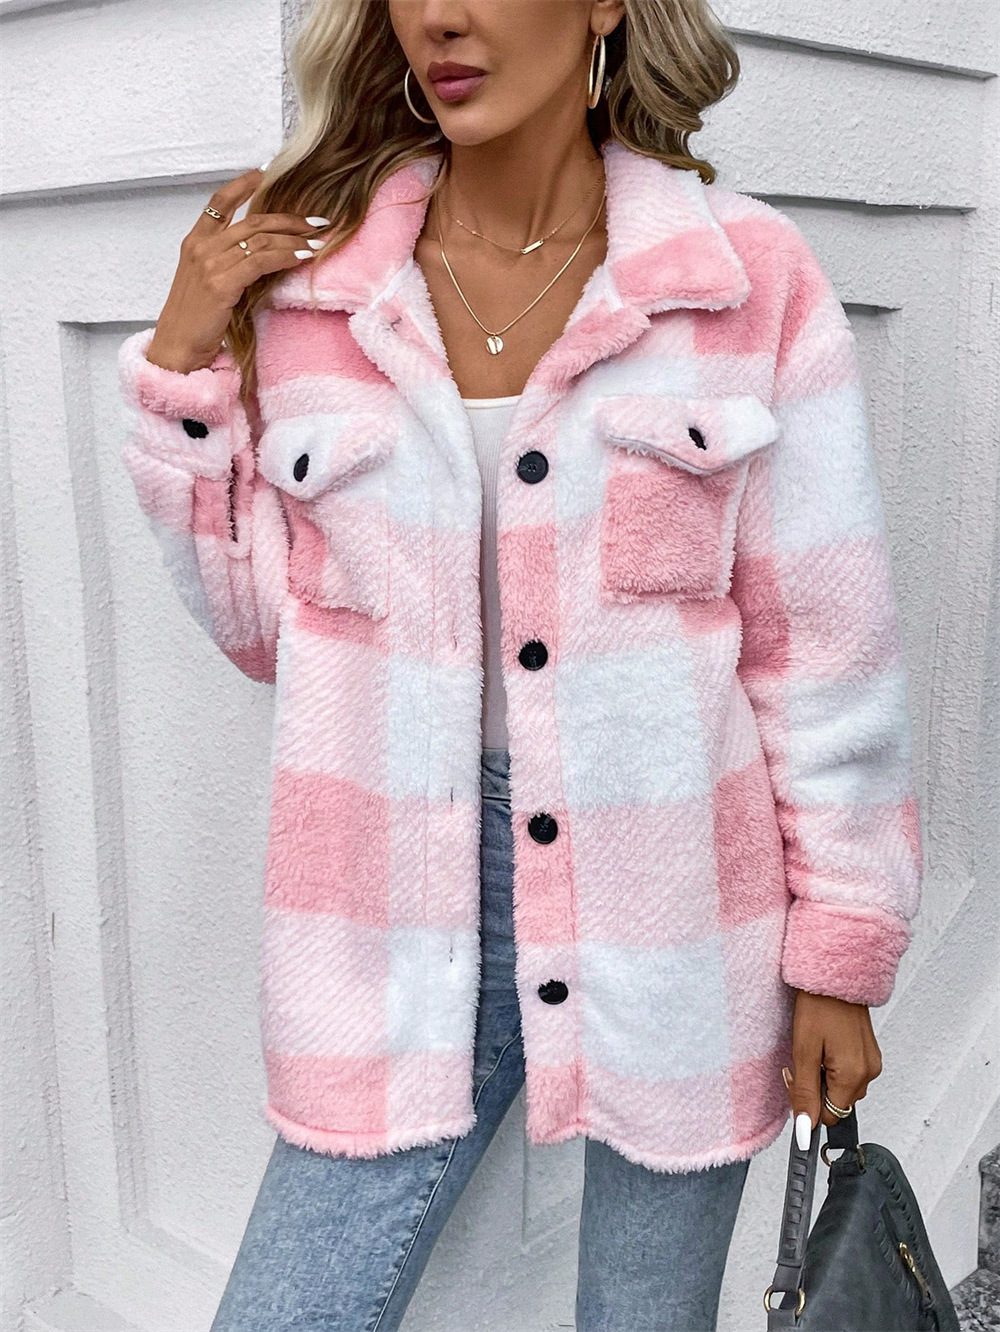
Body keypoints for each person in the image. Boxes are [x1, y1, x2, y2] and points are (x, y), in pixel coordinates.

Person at [116, 1, 923, 1328]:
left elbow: (824, 649)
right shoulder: (318, 296)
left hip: (679, 901)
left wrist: (840, 952)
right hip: (388, 896)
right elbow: (263, 634)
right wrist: (185, 362)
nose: (441, 15)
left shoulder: (743, 279)